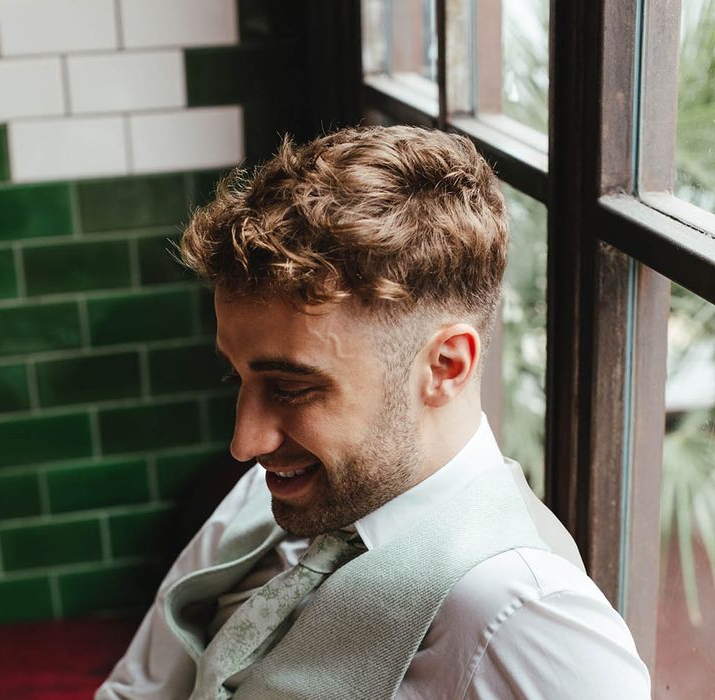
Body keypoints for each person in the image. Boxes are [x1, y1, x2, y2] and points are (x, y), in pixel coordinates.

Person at [96, 126, 651, 699]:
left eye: (290, 388)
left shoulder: (525, 617)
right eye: (237, 378)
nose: (245, 442)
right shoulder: (273, 492)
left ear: (445, 366)